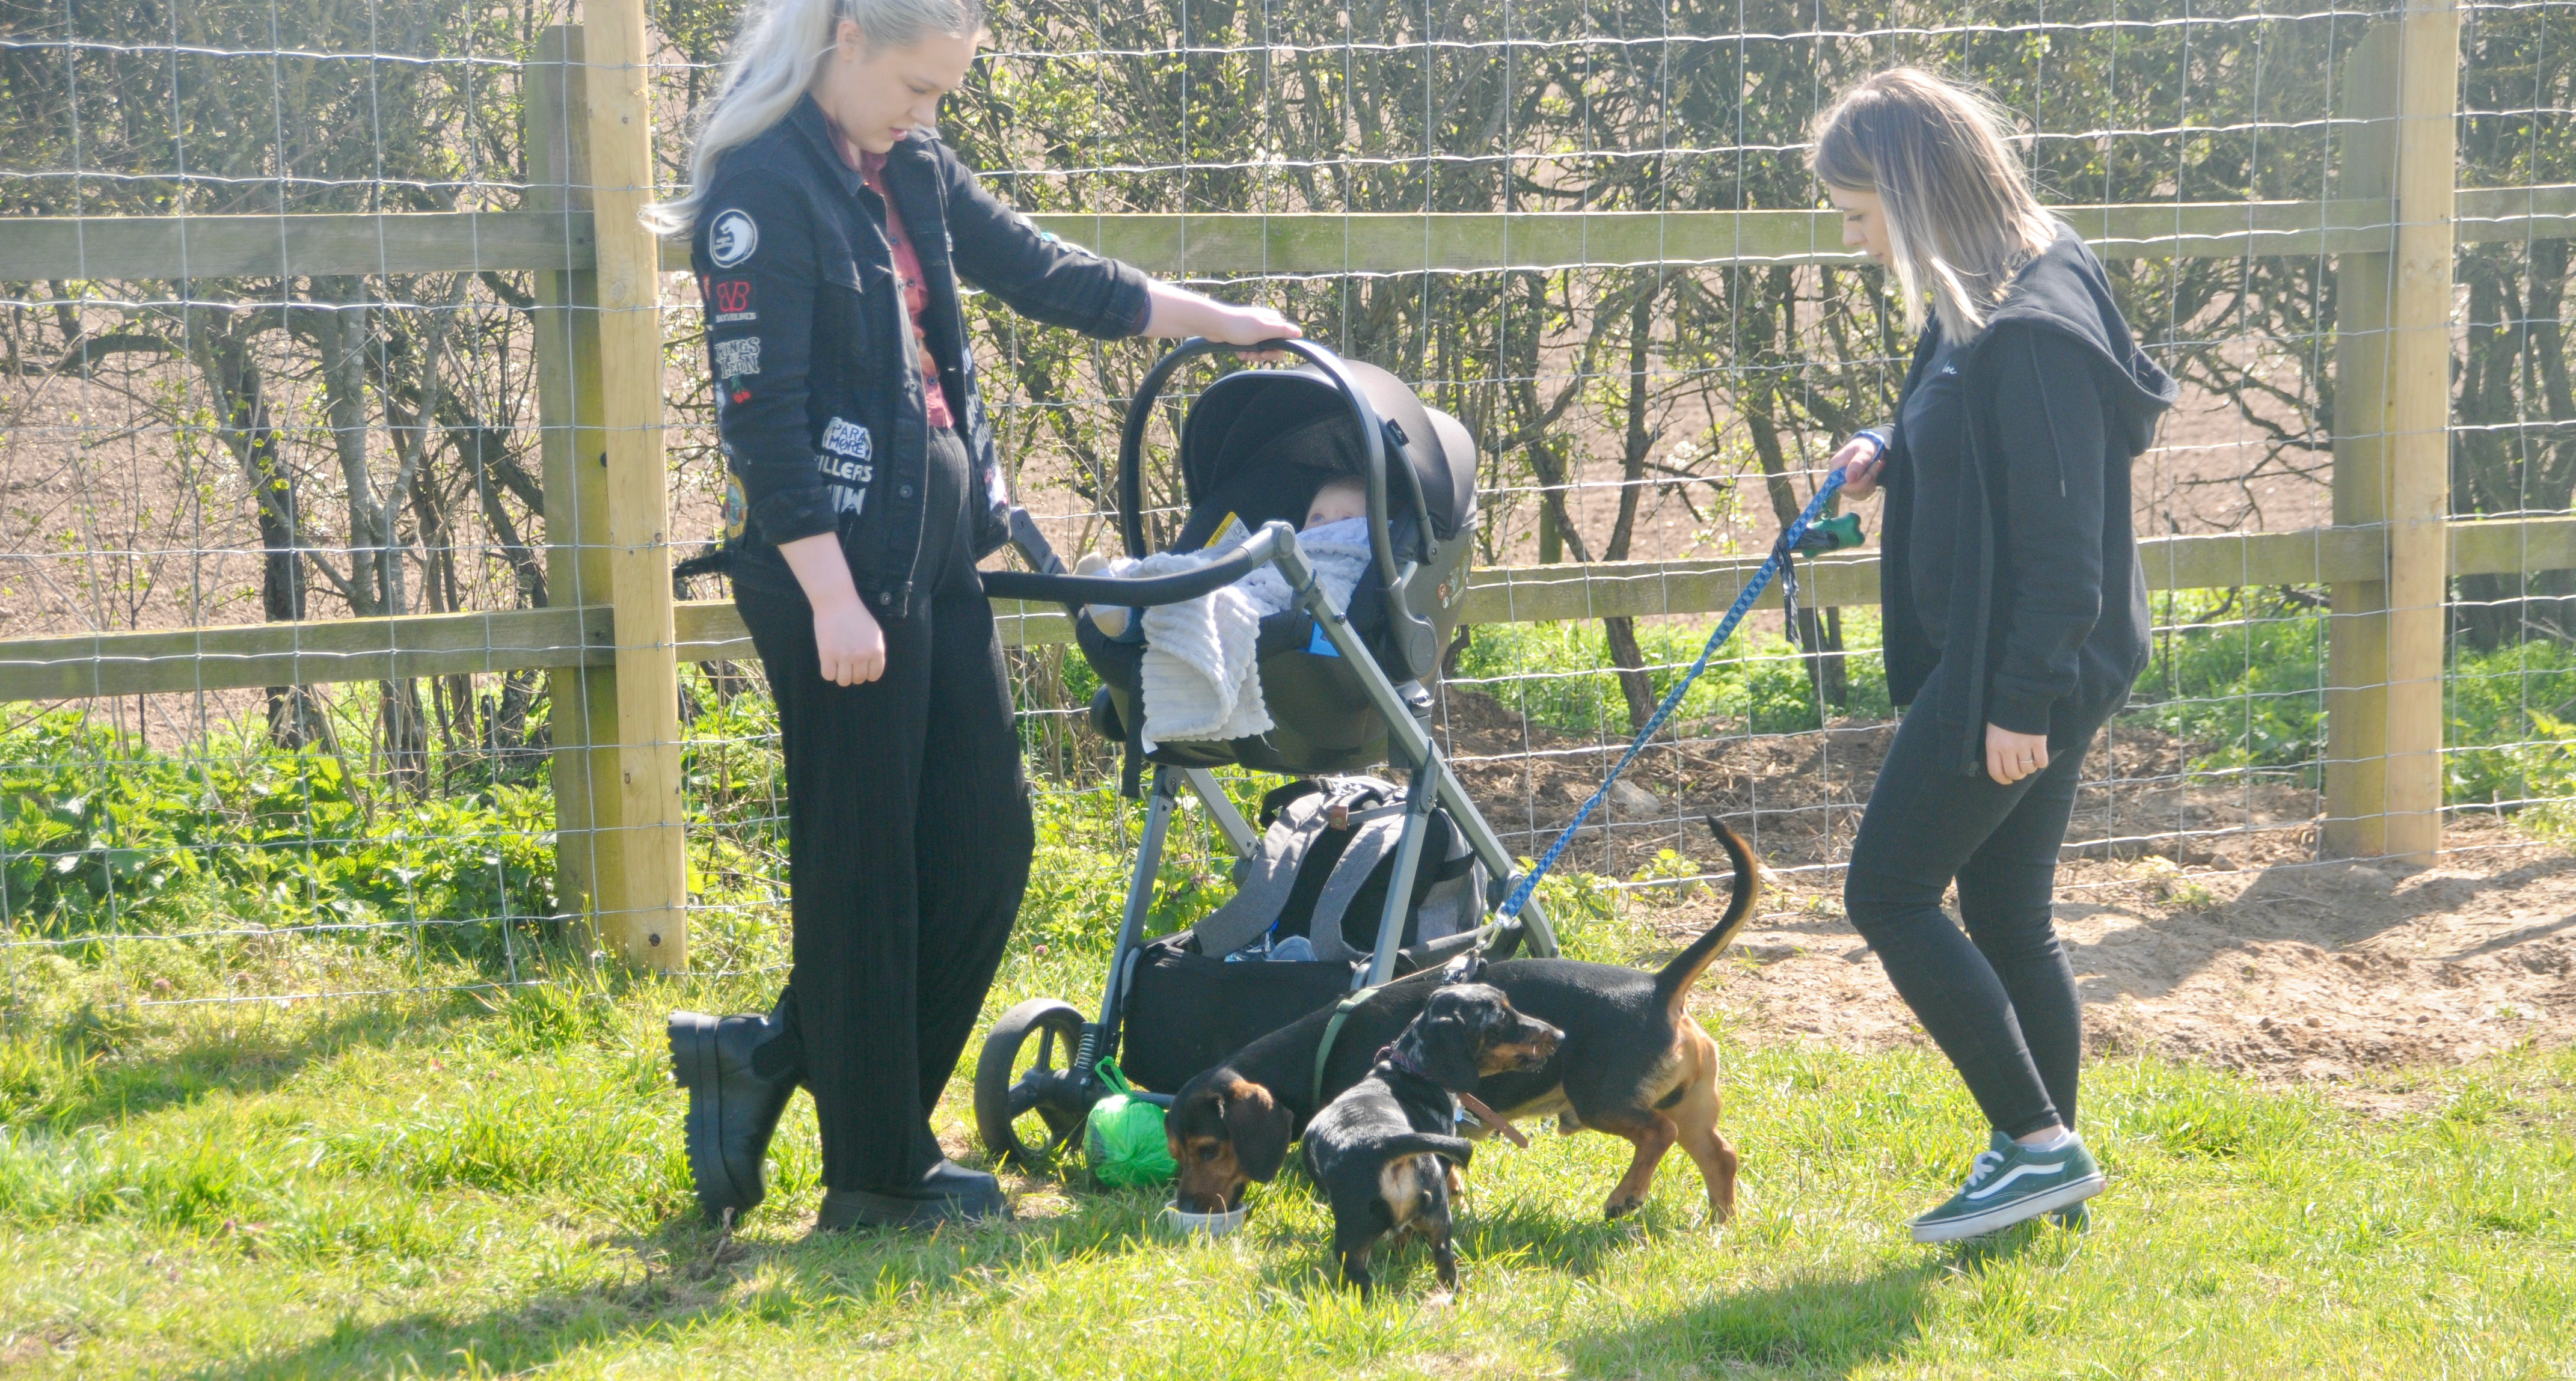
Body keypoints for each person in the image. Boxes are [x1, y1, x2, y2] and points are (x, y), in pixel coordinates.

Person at [652, 0, 1298, 1232]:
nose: (927, 114)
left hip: (936, 550)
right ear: (845, 39)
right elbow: (761, 416)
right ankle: (878, 1175)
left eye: (945, 93)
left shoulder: (910, 166)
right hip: (834, 575)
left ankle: (785, 1054)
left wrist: (1224, 324)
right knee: (865, 871)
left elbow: (1050, 271)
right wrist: (833, 595)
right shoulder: (760, 187)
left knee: (987, 844)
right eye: (917, 85)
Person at [1814, 69, 2176, 1243]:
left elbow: (2066, 548)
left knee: (1891, 890)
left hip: (2020, 667)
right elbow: (1954, 402)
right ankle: (2052, 1181)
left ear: (1914, 195)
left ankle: (2034, 1142)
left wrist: (2021, 700)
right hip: (2028, 658)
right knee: (2009, 911)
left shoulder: (2029, 331)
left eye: (1861, 212)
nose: (1856, 237)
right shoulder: (2007, 271)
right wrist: (1889, 441)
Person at [1074, 474, 1371, 638]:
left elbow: (1341, 594)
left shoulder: (1356, 557)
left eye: (1346, 520)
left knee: (1214, 604)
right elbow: (1220, 559)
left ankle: (1128, 610)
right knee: (1199, 570)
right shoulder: (1287, 542)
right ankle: (1129, 587)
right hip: (1247, 580)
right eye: (1317, 518)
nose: (1328, 527)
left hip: (1288, 607)